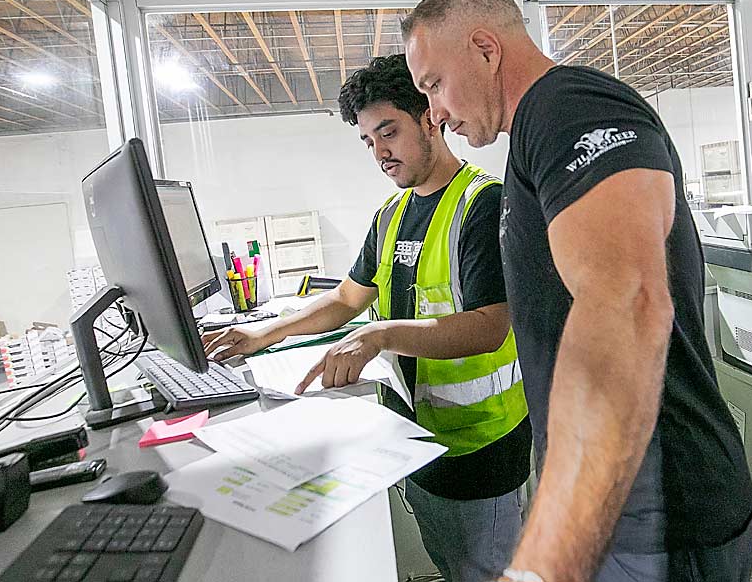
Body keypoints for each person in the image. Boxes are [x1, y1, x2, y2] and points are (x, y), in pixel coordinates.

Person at [401, 0, 752, 582]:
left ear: (486, 49)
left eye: (433, 84)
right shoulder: (531, 141)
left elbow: (627, 301)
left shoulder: (570, 106)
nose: (432, 113)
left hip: (663, 522)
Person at [202, 53, 532, 582]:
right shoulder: (391, 214)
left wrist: (378, 336)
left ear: (430, 116)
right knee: (455, 564)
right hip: (417, 437)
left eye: (388, 132)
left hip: (479, 448)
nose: (379, 153)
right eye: (368, 142)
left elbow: (491, 325)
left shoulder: (483, 204)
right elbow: (346, 300)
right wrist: (263, 333)